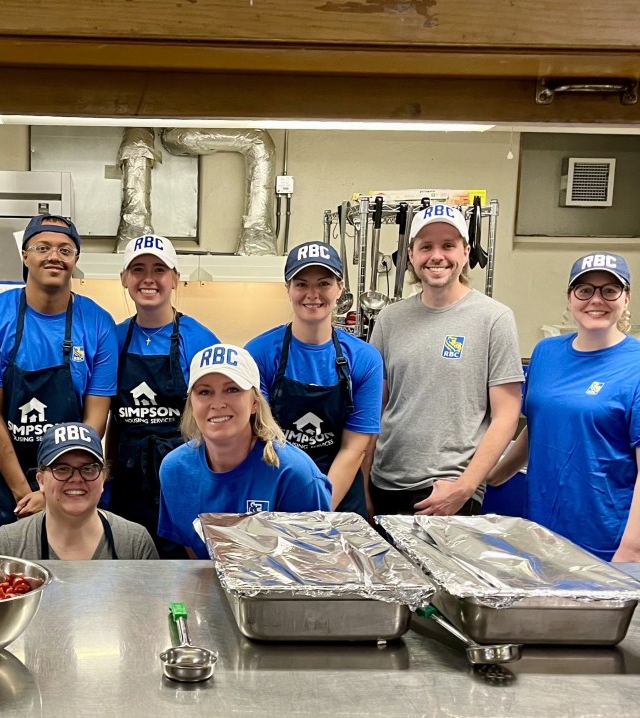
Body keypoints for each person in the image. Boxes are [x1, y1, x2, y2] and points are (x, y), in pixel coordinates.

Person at [488, 253, 640, 561]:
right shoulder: (546, 354)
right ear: (570, 298)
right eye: (584, 290)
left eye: (609, 290)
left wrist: (630, 550)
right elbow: (539, 425)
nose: (596, 300)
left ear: (626, 298)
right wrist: (492, 475)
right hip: (541, 532)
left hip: (605, 541)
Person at [0, 214, 118, 551]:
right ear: (25, 255)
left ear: (76, 260)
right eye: (43, 247)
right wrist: (26, 493)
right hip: (6, 484)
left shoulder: (98, 322)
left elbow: (95, 419)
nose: (54, 256)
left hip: (71, 480)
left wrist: (55, 490)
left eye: (65, 249)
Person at [368, 204, 523, 516]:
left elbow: (506, 415)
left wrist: (465, 487)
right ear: (411, 255)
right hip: (385, 484)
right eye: (426, 247)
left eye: (448, 246)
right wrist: (363, 487)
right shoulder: (389, 319)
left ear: (465, 253)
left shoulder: (493, 319)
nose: (436, 256)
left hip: (449, 491)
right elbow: (374, 409)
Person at [157, 344, 333, 559]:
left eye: (232, 389)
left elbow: (315, 560)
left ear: (255, 403)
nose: (218, 403)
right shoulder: (175, 471)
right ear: (192, 405)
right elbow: (196, 553)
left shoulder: (295, 474)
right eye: (204, 392)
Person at [246, 241, 383, 517]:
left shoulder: (365, 359)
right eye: (301, 284)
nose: (313, 294)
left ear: (340, 288)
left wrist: (320, 512)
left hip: (339, 496)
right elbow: (258, 436)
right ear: (288, 289)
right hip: (277, 485)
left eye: (323, 283)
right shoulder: (259, 353)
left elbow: (354, 449)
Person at [106, 234, 219, 557]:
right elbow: (112, 416)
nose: (149, 279)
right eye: (138, 269)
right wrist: (108, 471)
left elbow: (216, 420)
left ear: (175, 279)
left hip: (184, 477)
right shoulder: (113, 340)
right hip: (127, 483)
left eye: (159, 270)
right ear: (125, 279)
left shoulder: (199, 341)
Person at [0, 422, 158, 560]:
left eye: (88, 468)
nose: (76, 478)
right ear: (41, 481)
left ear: (103, 478)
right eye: (61, 468)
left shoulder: (135, 542)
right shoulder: (7, 546)